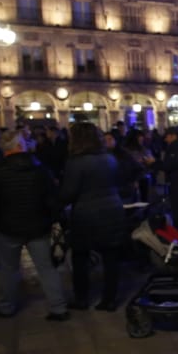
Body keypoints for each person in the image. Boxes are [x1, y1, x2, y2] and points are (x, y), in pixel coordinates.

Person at [0, 129, 69, 320]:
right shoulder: (39, 169)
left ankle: (8, 305)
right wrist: (53, 218)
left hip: (7, 228)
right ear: (20, 146)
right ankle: (58, 307)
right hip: (38, 226)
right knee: (46, 268)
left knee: (9, 269)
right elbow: (52, 198)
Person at [59, 123, 130, 311]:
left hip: (86, 214)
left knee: (80, 257)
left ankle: (82, 298)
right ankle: (109, 299)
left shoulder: (76, 162)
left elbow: (69, 192)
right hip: (113, 210)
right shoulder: (109, 158)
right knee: (111, 257)